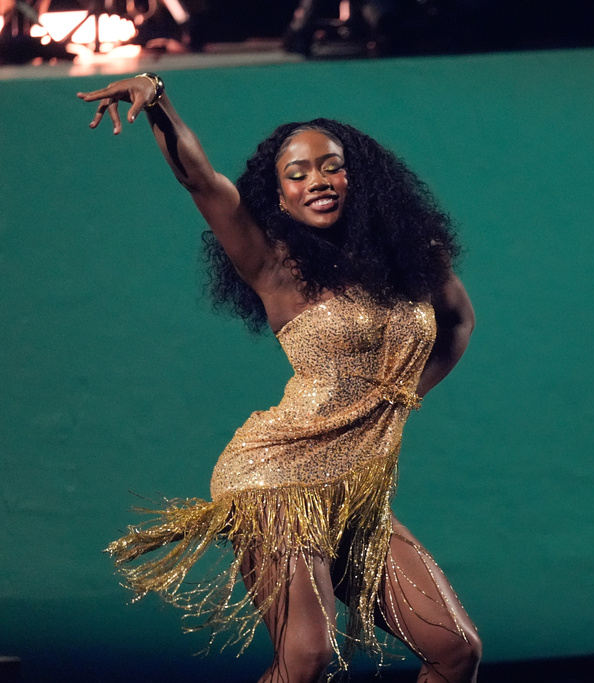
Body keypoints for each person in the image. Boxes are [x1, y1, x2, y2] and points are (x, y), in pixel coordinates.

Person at [78, 74, 481, 683]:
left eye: (331, 167)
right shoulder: (275, 266)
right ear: (281, 198)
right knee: (305, 656)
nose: (317, 180)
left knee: (455, 650)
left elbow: (457, 322)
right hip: (276, 478)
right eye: (298, 174)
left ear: (358, 178)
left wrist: (402, 397)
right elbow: (203, 182)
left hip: (356, 492)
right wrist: (158, 100)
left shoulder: (410, 253)